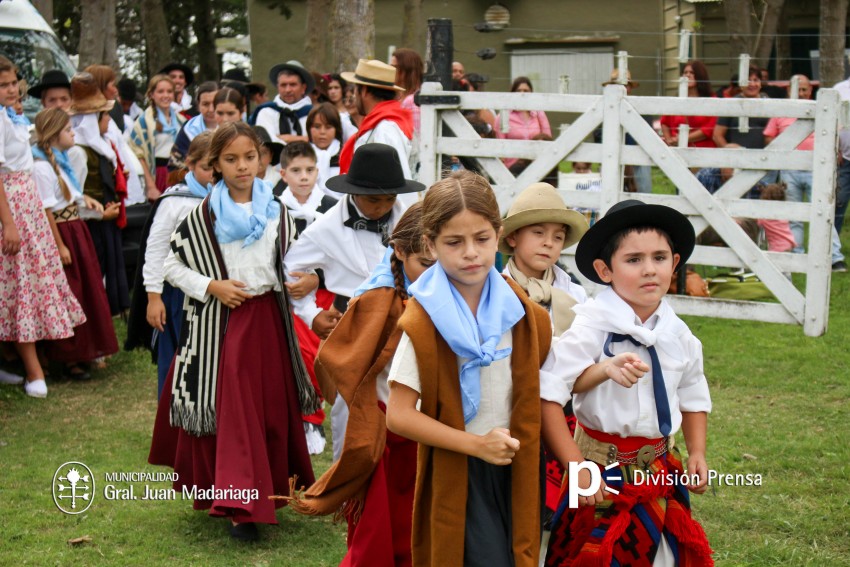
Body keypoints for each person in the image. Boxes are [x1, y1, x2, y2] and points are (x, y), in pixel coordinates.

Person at [148, 122, 319, 541]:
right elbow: (172, 265)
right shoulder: (201, 214)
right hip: (223, 325)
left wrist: (308, 280)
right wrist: (212, 286)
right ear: (214, 166)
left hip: (269, 323)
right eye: (230, 160)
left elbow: (298, 263)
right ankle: (242, 505)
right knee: (237, 411)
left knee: (267, 409)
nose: (242, 167)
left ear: (262, 160)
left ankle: (270, 491)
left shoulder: (278, 211)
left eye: (249, 157)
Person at [385, 170, 552, 567]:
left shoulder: (525, 315)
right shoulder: (425, 321)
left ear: (498, 234)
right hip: (462, 471)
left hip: (518, 466)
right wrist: (477, 445)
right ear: (430, 244)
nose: (471, 253)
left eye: (481, 239)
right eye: (454, 242)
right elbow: (398, 415)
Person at [540, 199, 713, 566]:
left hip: (660, 471)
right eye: (633, 260)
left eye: (660, 258)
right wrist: (577, 467)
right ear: (605, 270)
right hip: (599, 470)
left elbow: (693, 394)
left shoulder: (679, 334)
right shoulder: (589, 327)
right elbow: (548, 396)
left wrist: (697, 451)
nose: (649, 270)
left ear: (675, 264)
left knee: (661, 558)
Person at [290, 203, 432, 566]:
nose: (433, 275)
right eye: (425, 265)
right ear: (400, 252)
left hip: (432, 430)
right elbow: (340, 360)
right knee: (380, 528)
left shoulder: (445, 295)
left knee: (422, 525)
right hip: (387, 431)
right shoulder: (377, 300)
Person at [285, 143, 422, 462]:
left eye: (390, 197)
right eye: (375, 199)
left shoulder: (410, 217)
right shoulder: (326, 227)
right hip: (354, 324)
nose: (383, 205)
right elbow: (289, 268)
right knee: (351, 404)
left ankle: (402, 488)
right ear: (355, 193)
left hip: (406, 320)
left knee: (408, 400)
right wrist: (311, 313)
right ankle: (348, 490)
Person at [498, 182, 589, 522]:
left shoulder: (574, 294)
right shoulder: (495, 290)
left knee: (561, 506)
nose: (548, 243)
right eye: (538, 232)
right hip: (511, 404)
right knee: (517, 498)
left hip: (564, 405)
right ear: (513, 238)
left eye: (557, 236)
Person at [0, 56, 85, 398]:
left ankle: (14, 361)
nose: (10, 89)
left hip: (27, 203)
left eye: (12, 83)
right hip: (11, 206)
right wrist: (9, 223)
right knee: (18, 282)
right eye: (3, 85)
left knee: (30, 281)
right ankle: (32, 368)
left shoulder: (12, 117)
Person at [125, 131, 215, 398]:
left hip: (215, 292)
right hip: (177, 295)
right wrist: (154, 297)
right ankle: (173, 429)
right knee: (176, 363)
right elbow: (155, 251)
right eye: (206, 167)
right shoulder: (175, 200)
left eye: (217, 166)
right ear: (190, 164)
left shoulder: (229, 198)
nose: (212, 174)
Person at [32, 107, 118, 380]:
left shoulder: (61, 160)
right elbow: (47, 210)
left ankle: (84, 351)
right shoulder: (41, 167)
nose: (73, 133)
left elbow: (69, 196)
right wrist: (59, 245)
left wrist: (86, 201)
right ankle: (67, 356)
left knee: (87, 291)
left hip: (75, 229)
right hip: (62, 232)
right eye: (69, 129)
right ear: (55, 133)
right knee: (70, 292)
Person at [765, 74, 846, 271]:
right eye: (797, 89)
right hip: (789, 170)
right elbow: (768, 137)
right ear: (789, 90)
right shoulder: (781, 112)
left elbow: (836, 133)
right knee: (793, 214)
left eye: (804, 89)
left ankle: (834, 257)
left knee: (824, 212)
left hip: (816, 169)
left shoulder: (822, 110)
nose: (801, 93)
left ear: (810, 91)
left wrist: (834, 153)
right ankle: (797, 254)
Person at [67, 72, 130, 318]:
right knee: (96, 267)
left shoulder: (100, 146)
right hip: (92, 221)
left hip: (106, 214)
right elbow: (76, 194)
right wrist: (100, 214)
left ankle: (108, 308)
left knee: (108, 263)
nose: (108, 121)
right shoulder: (78, 152)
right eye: (104, 116)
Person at [339, 59, 414, 185]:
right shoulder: (382, 124)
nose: (354, 96)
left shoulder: (385, 128)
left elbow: (399, 180)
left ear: (364, 91)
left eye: (355, 90)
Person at [85, 65, 146, 206]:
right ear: (99, 88)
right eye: (112, 85)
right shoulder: (92, 121)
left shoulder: (109, 117)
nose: (115, 90)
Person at [128, 74, 185, 199]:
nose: (166, 95)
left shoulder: (181, 120)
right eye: (160, 91)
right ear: (152, 95)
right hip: (159, 174)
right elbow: (139, 154)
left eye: (169, 91)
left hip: (179, 173)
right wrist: (150, 186)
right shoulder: (144, 122)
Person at [252, 60, 314, 144]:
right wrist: (304, 139)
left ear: (303, 88)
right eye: (283, 85)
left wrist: (288, 138)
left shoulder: (314, 114)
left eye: (293, 84)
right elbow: (268, 143)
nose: (287, 90)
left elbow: (319, 144)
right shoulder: (266, 112)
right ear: (278, 87)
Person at [168, 81, 219, 180]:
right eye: (205, 104)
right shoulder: (188, 130)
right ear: (198, 105)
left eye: (215, 103)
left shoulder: (231, 127)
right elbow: (175, 167)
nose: (211, 109)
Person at [497, 76, 551, 169]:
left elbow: (547, 138)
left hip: (536, 165)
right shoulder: (503, 116)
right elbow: (500, 146)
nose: (522, 94)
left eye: (526, 91)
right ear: (513, 93)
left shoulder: (539, 114)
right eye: (518, 90)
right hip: (512, 167)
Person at [660, 61, 717, 148]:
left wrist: (683, 139)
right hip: (677, 150)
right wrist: (669, 141)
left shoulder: (712, 101)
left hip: (703, 150)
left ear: (700, 75)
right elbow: (664, 122)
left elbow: (709, 129)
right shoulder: (677, 101)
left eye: (692, 73)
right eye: (685, 72)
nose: (688, 75)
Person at [392, 48, 424, 179]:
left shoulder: (411, 101)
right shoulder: (403, 98)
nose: (390, 71)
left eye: (394, 67)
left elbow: (417, 138)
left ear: (406, 70)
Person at [306, 102, 343, 197]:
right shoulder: (300, 155)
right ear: (309, 129)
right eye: (317, 126)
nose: (322, 132)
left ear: (337, 129)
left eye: (328, 127)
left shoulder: (345, 156)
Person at [757, 183, 796, 254]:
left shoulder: (765, 217)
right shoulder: (784, 213)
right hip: (788, 243)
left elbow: (758, 223)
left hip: (777, 247)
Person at [325, 73, 357, 141]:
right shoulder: (325, 111)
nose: (333, 92)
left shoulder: (352, 109)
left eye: (336, 88)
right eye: (329, 88)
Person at [254, 126, 284, 191]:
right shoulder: (237, 184)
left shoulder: (280, 181)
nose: (258, 158)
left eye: (263, 153)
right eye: (252, 155)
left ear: (271, 156)